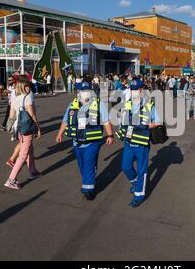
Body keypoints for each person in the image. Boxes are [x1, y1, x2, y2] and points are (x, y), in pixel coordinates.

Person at [56, 81, 114, 200]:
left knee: (89, 163)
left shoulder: (98, 104)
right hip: (77, 141)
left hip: (93, 141)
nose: (84, 93)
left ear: (91, 92)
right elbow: (66, 120)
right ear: (78, 92)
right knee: (82, 165)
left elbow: (106, 121)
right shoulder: (73, 104)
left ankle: (89, 190)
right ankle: (88, 183)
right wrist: (60, 133)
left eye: (87, 90)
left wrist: (110, 135)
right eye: (82, 91)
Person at [116, 78, 162, 208]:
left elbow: (158, 122)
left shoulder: (149, 105)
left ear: (142, 90)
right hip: (129, 142)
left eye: (136, 89)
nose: (134, 91)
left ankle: (139, 195)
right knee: (125, 167)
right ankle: (136, 182)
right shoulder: (127, 104)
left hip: (141, 143)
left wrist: (147, 125)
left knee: (142, 170)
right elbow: (122, 121)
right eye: (132, 89)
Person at [4, 80, 42, 190]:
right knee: (23, 154)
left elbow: (11, 116)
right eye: (28, 86)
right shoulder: (27, 98)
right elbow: (32, 115)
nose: (30, 88)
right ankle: (11, 179)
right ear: (24, 87)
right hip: (27, 129)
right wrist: (38, 128)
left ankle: (32, 172)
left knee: (30, 150)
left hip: (19, 128)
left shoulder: (15, 99)